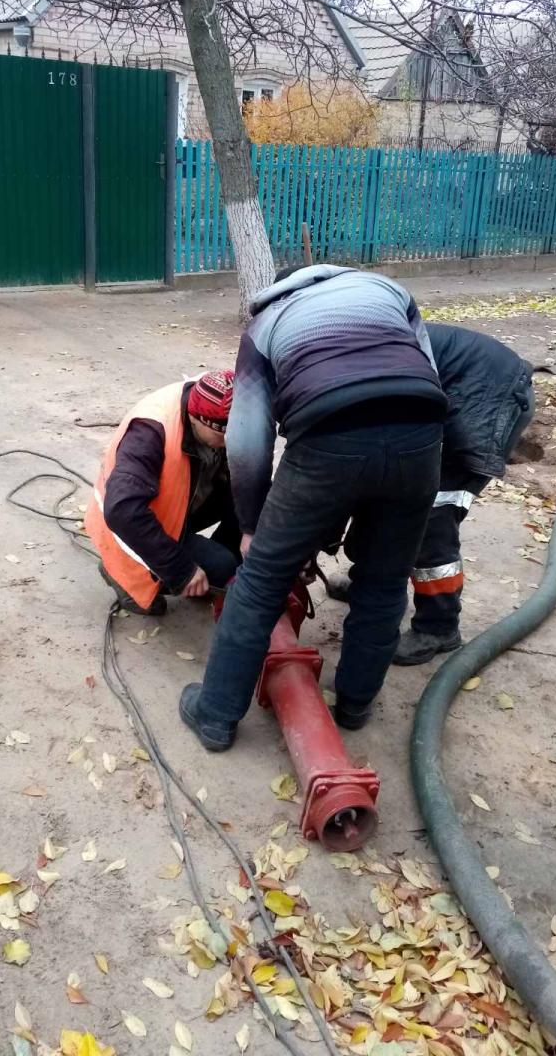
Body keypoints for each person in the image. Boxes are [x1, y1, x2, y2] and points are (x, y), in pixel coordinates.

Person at [179, 263, 449, 752]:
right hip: (421, 434)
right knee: (386, 580)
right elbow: (428, 373)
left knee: (260, 582)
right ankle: (354, 705)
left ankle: (215, 715)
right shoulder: (387, 290)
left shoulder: (265, 324)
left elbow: (247, 442)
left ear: (281, 289)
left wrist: (252, 525)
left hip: (329, 435)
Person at [324, 323, 535, 664]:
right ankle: (370, 585)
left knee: (432, 512)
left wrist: (318, 534)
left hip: (486, 396)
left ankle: (438, 627)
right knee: (380, 491)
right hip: (443, 393)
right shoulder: (332, 369)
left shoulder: (347, 367)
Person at [84, 370, 238, 617]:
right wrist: (181, 569)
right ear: (195, 418)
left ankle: (208, 577)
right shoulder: (150, 432)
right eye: (223, 435)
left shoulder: (220, 399)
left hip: (180, 503)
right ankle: (122, 575)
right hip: (132, 524)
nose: (230, 441)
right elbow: (122, 511)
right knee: (222, 566)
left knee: (250, 502)